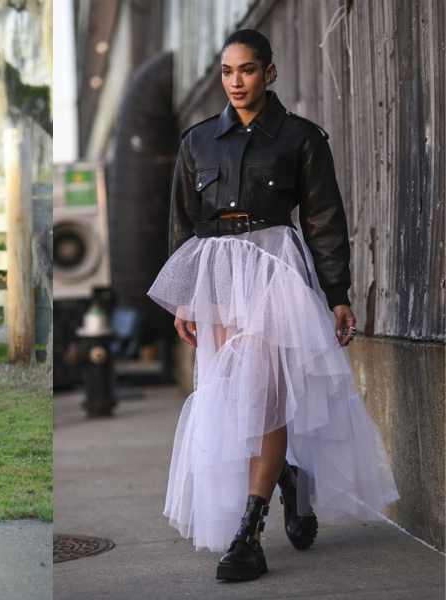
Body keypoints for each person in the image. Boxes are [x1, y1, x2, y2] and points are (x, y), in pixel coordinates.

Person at [146, 30, 400, 581]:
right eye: (228, 71)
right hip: (216, 271)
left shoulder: (301, 139)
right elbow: (182, 223)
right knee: (228, 395)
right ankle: (284, 472)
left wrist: (337, 296)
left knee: (264, 392)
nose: (236, 82)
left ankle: (249, 531)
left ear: (270, 73)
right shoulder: (196, 142)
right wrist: (186, 297)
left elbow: (324, 220)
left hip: (273, 268)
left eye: (249, 70)